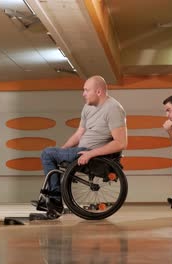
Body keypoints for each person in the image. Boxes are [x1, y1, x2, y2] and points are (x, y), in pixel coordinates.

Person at [34, 75, 127, 219]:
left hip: (95, 155)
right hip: (80, 151)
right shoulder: (88, 107)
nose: (83, 94)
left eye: (86, 90)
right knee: (52, 153)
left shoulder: (114, 109)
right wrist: (64, 149)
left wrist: (91, 154)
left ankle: (55, 200)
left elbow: (121, 143)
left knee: (47, 153)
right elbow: (78, 134)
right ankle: (54, 197)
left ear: (98, 92)